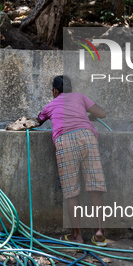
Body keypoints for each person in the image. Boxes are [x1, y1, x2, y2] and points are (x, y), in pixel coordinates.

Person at [37, 76, 108, 246]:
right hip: (88, 137)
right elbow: (102, 113)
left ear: (55, 91)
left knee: (71, 191)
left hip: (65, 140)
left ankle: (77, 236)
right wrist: (85, 116)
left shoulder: (51, 105)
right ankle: (100, 233)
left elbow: (37, 121)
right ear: (71, 88)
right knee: (95, 186)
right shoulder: (80, 97)